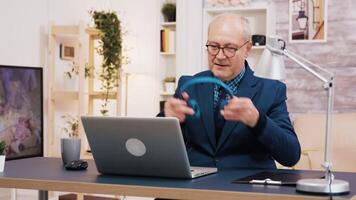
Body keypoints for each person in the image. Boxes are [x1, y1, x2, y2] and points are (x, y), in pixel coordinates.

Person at [158, 13, 300, 169]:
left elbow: (291, 155)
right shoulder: (189, 85)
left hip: (246, 187)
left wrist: (258, 121)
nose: (219, 56)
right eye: (213, 47)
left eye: (230, 48)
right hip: (194, 186)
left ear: (247, 49)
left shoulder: (271, 90)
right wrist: (166, 117)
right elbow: (155, 147)